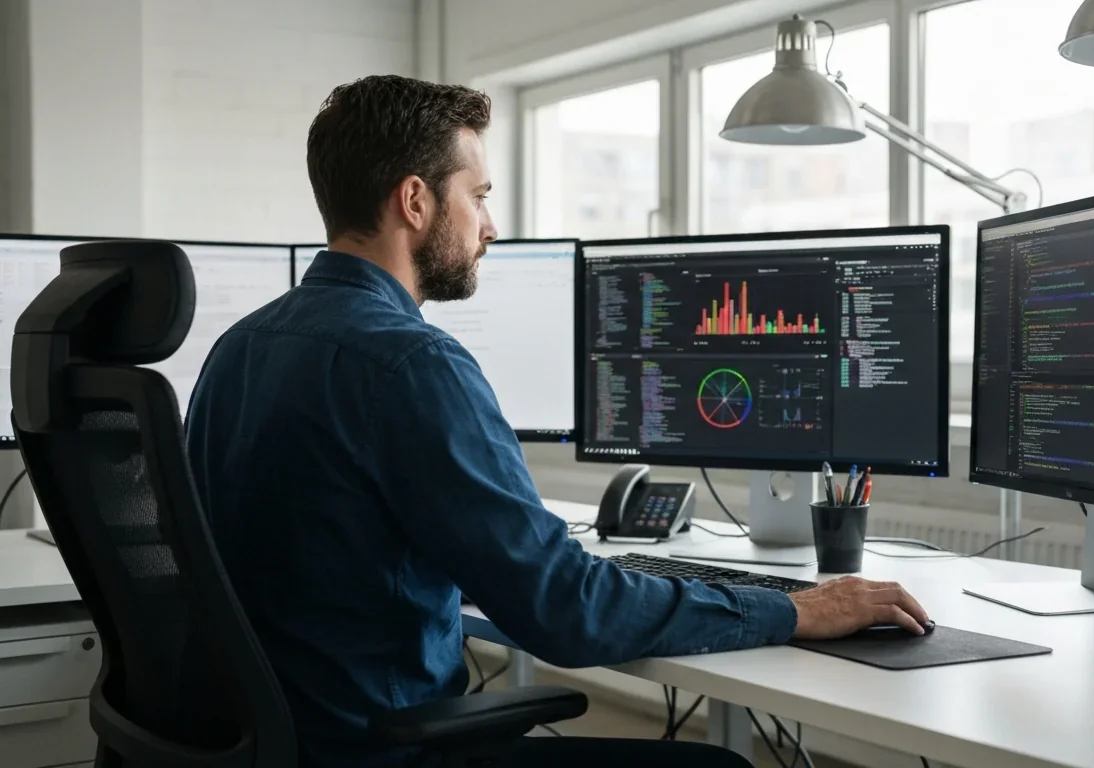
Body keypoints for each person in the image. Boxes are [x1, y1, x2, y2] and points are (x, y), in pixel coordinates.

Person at [184, 74, 929, 768]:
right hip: (382, 749)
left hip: (271, 741)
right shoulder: (413, 364)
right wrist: (789, 610)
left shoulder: (237, 348)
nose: (490, 225)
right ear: (414, 202)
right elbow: (566, 611)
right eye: (477, 196)